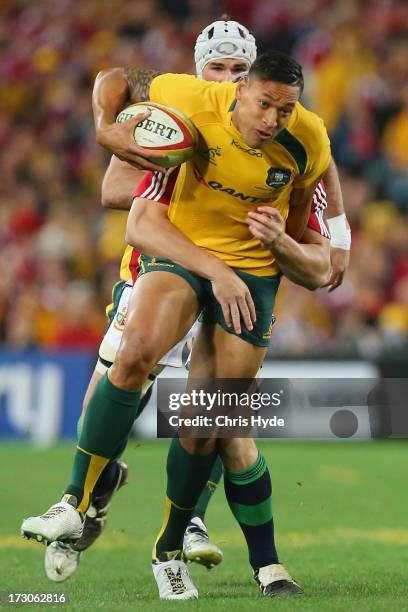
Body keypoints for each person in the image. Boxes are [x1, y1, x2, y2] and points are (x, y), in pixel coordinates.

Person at [22, 49, 332, 600]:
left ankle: (170, 545)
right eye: (264, 105)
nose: (273, 120)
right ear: (237, 92)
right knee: (134, 354)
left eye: (285, 110)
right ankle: (74, 503)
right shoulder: (183, 99)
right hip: (183, 255)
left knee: (211, 421)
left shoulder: (309, 140)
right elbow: (113, 81)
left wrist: (281, 242)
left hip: (254, 274)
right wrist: (105, 130)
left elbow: (315, 250)